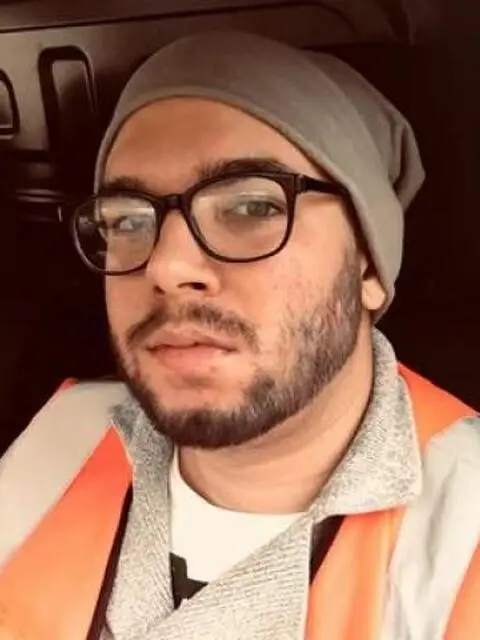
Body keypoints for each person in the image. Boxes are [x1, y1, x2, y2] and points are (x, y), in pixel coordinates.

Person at [0, 30, 479, 640]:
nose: (166, 267)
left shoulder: (464, 530)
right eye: (127, 219)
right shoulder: (63, 433)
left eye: (252, 207)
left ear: (368, 268)